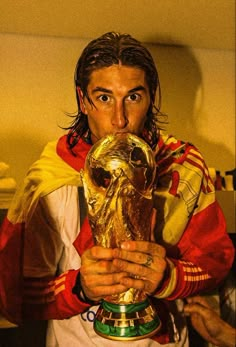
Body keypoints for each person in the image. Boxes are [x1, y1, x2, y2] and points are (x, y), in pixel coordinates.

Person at [0, 32, 234, 347]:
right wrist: (79, 288)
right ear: (84, 101)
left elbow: (215, 261)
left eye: (133, 97)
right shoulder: (50, 177)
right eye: (105, 97)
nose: (119, 119)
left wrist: (169, 277)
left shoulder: (184, 167)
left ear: (151, 98)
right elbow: (15, 292)